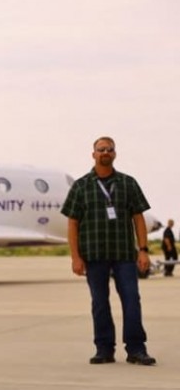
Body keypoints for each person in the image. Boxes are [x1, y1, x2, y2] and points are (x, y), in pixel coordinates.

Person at [61, 136, 156, 366]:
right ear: (93, 154)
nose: (105, 152)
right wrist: (75, 257)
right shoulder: (81, 186)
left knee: (132, 300)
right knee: (100, 303)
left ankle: (136, 349)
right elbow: (72, 223)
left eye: (109, 149)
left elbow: (138, 218)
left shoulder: (128, 183)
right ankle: (104, 349)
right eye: (101, 149)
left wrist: (143, 250)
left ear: (115, 154)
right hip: (94, 256)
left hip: (124, 254)